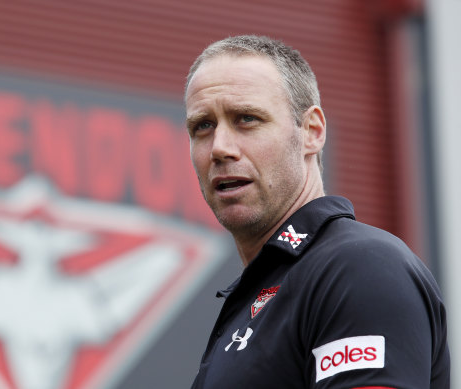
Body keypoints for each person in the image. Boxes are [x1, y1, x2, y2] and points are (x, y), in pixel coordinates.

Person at [184, 35, 449, 389]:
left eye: (246, 119)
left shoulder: (357, 267)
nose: (220, 148)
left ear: (312, 131)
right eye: (203, 126)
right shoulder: (263, 292)